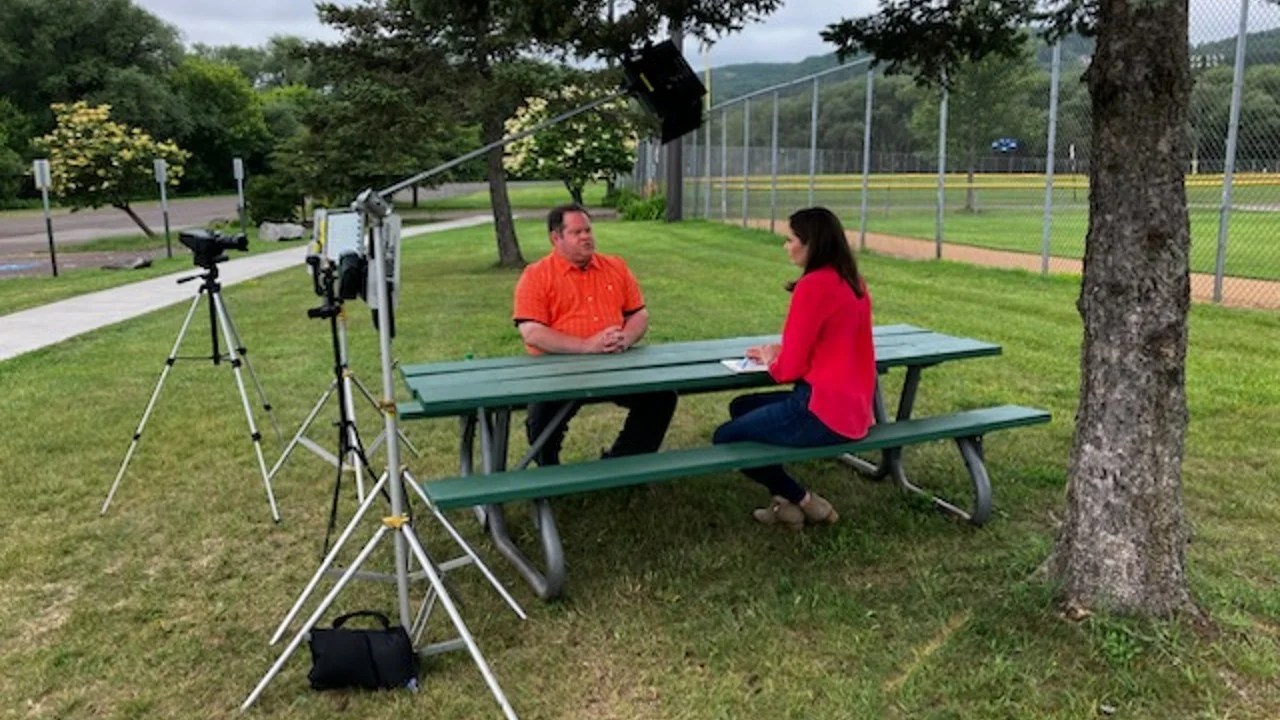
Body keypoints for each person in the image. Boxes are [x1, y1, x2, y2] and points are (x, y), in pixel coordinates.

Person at [712, 207, 877, 531]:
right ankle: (784, 505)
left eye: (790, 240)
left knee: (725, 437)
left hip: (821, 410)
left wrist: (770, 357)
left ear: (811, 244)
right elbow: (834, 344)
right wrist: (782, 350)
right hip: (856, 409)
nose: (785, 246)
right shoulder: (853, 282)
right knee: (741, 407)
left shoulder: (813, 286)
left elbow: (788, 370)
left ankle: (803, 499)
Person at [512, 203, 677, 466]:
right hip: (557, 368)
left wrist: (626, 338)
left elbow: (639, 314)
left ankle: (623, 465)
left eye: (588, 230)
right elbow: (532, 332)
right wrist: (586, 345)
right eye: (576, 232)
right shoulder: (536, 276)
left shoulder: (615, 266)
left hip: (615, 362)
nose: (586, 237)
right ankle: (552, 475)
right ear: (556, 238)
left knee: (661, 397)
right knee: (541, 423)